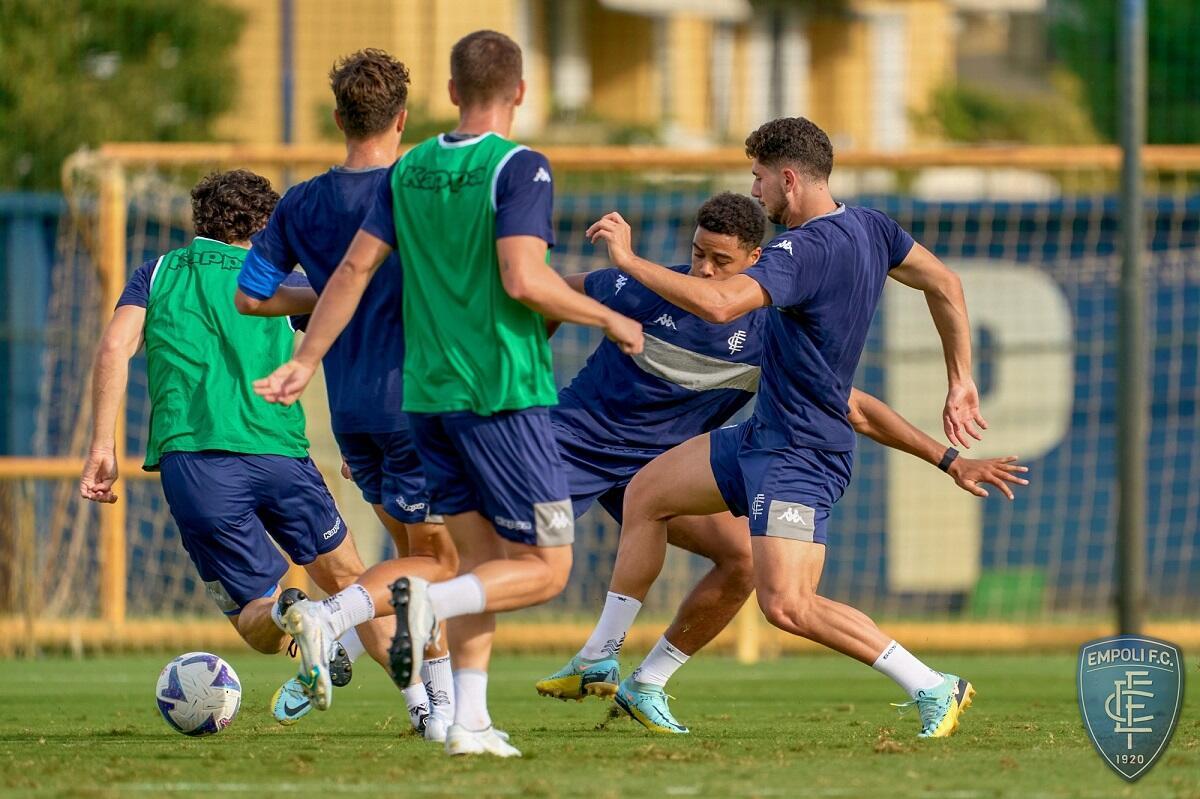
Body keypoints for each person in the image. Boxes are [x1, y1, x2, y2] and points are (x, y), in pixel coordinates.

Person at [254, 30, 643, 757]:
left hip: (426, 398)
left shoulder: (411, 171)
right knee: (543, 569)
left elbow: (351, 272)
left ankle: (468, 721)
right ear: (521, 92)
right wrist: (607, 315)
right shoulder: (518, 166)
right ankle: (401, 607)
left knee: (476, 562)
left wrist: (306, 359)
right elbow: (524, 278)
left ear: (454, 92)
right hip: (501, 393)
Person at [536, 192, 1028, 731]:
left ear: (755, 261)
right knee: (635, 500)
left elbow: (856, 407)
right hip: (590, 443)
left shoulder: (770, 326)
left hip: (792, 457)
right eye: (698, 254)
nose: (704, 269)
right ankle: (608, 663)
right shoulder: (645, 288)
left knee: (785, 601)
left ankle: (931, 684)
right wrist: (527, 378)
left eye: (720, 260)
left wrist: (949, 459)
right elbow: (548, 293)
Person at [79, 171, 387, 716]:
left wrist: (103, 445)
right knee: (355, 586)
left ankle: (289, 613)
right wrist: (356, 440)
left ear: (200, 219)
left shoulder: (157, 273)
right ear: (267, 226)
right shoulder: (280, 281)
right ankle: (429, 705)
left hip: (196, 465)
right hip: (281, 457)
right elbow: (345, 342)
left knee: (255, 615)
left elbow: (113, 349)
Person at [234, 49, 457, 739]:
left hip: (352, 412)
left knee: (415, 567)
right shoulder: (421, 188)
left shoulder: (302, 201)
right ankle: (330, 619)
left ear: (337, 118)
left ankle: (432, 712)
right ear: (403, 118)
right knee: (441, 563)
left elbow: (251, 296)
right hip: (418, 406)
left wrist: (331, 296)